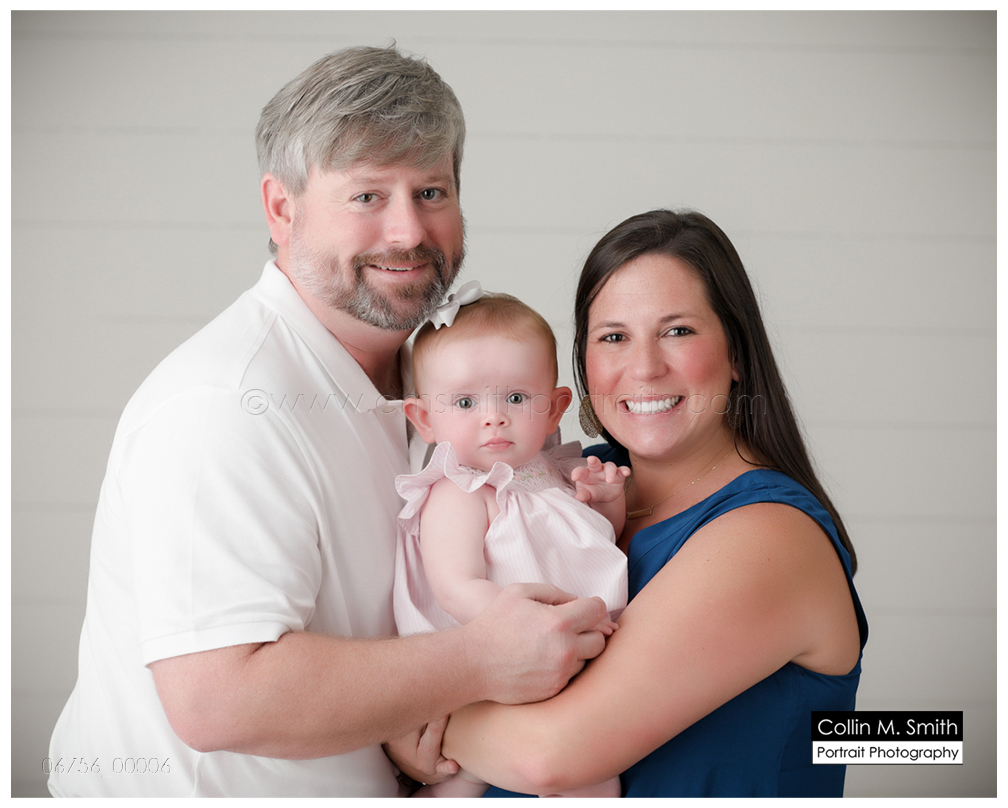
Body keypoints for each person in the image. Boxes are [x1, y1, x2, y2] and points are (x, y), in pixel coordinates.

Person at [46, 46, 610, 798]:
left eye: (431, 191)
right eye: (367, 196)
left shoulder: (441, 393)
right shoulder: (226, 404)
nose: (408, 231)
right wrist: (475, 662)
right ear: (282, 209)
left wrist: (423, 721)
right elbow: (218, 697)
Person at [429, 209, 869, 797]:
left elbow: (548, 757)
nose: (644, 368)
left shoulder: (770, 536)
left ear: (737, 354)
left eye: (677, 331)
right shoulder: (562, 483)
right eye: (614, 337)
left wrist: (417, 717)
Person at [394, 286, 628, 797]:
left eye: (517, 398)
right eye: (465, 402)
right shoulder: (459, 491)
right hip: (500, 670)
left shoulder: (554, 470)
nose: (494, 416)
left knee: (597, 773)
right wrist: (535, 631)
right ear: (424, 420)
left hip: (574, 659)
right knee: (478, 777)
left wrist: (607, 503)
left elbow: (596, 542)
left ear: (555, 409)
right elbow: (455, 586)